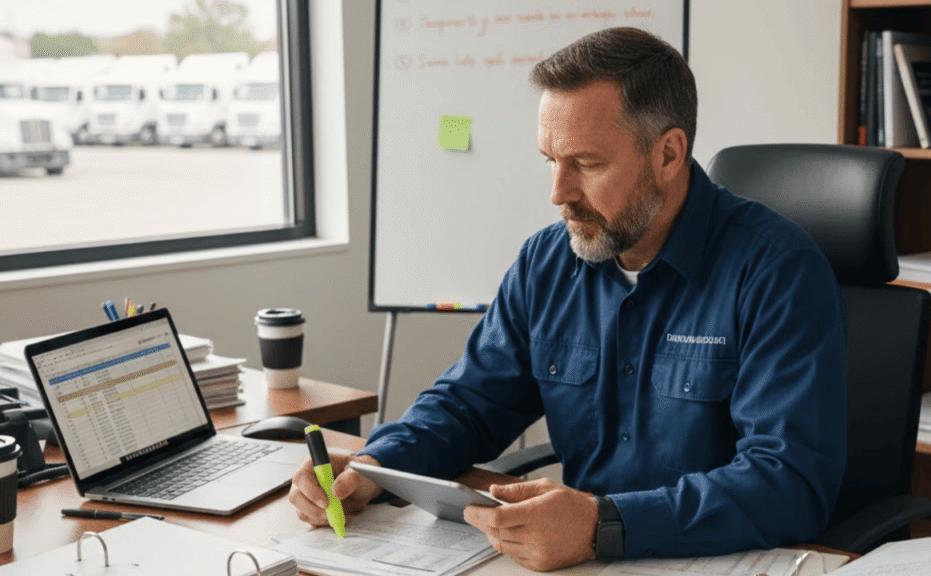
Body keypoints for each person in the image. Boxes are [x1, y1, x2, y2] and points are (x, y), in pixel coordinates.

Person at [289, 26, 847, 572]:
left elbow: (787, 482)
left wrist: (605, 524)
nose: (559, 194)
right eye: (550, 161)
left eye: (586, 164)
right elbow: (468, 404)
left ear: (669, 155)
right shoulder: (547, 263)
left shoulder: (777, 271)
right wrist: (375, 464)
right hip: (579, 558)